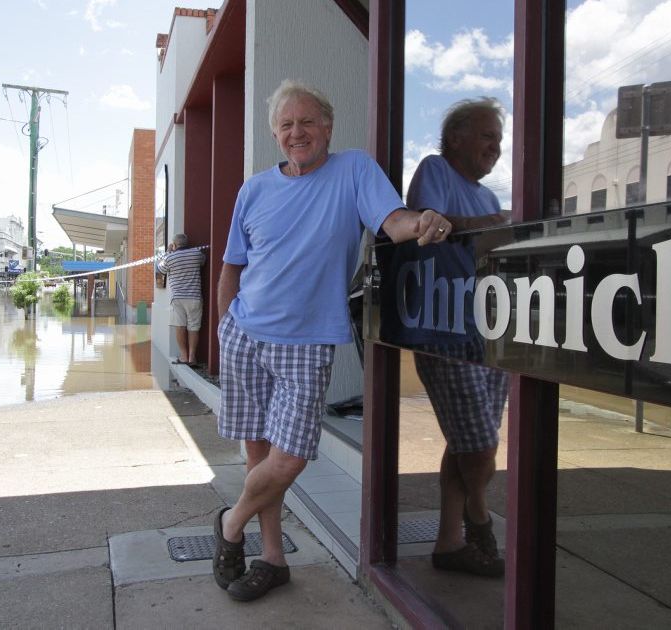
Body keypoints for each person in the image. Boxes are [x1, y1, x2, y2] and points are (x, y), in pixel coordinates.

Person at [213, 79, 453, 602]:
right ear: (275, 133)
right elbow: (232, 265)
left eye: (306, 122)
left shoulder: (354, 171)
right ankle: (272, 559)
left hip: (306, 342)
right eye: (286, 125)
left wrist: (423, 221)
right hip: (245, 335)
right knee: (260, 458)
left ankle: (230, 525)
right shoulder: (253, 189)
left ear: (328, 126)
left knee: (290, 457)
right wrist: (223, 326)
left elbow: (392, 222)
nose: (296, 133)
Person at [406, 98, 511, 577]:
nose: (497, 145)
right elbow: (429, 225)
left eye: (498, 137)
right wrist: (496, 225)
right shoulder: (435, 170)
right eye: (488, 135)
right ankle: (480, 518)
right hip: (443, 328)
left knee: (468, 440)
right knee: (479, 445)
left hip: (487, 330)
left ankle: (449, 546)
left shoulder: (488, 198)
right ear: (456, 138)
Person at [156, 233, 206, 365]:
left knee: (180, 327)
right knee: (194, 327)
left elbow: (160, 269)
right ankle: (192, 357)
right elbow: (203, 260)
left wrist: (168, 252)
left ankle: (183, 356)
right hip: (194, 297)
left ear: (174, 244)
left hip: (178, 298)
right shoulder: (196, 254)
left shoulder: (170, 258)